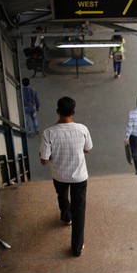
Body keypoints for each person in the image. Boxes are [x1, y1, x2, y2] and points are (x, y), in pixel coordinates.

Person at [40, 96, 93, 257]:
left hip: (59, 175)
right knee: (79, 209)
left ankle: (66, 216)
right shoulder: (82, 129)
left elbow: (44, 160)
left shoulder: (48, 133)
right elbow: (88, 149)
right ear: (74, 112)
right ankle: (77, 247)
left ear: (57, 112)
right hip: (79, 177)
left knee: (62, 195)